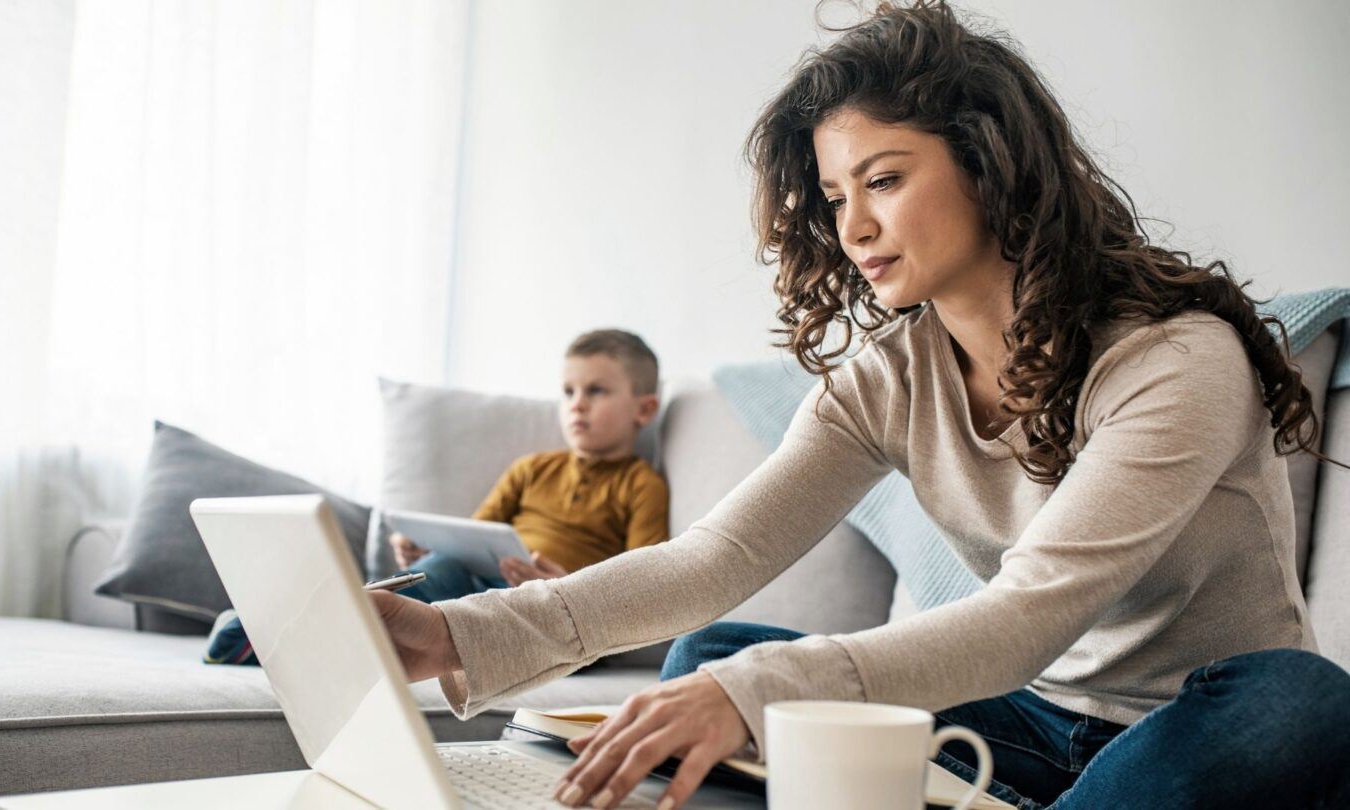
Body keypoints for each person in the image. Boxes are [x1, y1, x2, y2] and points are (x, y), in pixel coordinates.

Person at [368, 2, 1350, 808]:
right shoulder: (890, 376)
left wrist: (750, 694)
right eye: (837, 197)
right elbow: (718, 560)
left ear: (991, 163)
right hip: (1028, 725)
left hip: (1203, 724)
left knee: (1303, 705)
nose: (856, 227)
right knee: (718, 655)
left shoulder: (1176, 359)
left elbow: (1025, 618)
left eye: (884, 180)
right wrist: (461, 632)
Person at [390, 328, 670, 603]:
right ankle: (382, 609)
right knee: (441, 565)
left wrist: (567, 591)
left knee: (522, 608)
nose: (577, 404)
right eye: (568, 392)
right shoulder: (532, 468)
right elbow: (472, 537)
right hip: (478, 579)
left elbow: (641, 584)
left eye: (595, 391)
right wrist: (425, 549)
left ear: (644, 410)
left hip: (551, 603)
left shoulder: (643, 486)